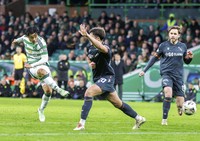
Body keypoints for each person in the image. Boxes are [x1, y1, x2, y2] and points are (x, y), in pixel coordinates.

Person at [73, 24, 146, 130]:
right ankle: (139, 118)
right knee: (118, 104)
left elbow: (101, 48)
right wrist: (93, 65)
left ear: (97, 38)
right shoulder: (90, 48)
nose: (88, 38)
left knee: (89, 92)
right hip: (98, 78)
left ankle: (81, 124)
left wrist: (87, 35)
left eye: (91, 36)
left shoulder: (106, 48)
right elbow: (93, 60)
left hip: (107, 77)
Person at [12, 26, 69, 122]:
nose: (34, 39)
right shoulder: (25, 38)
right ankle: (58, 89)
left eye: (35, 36)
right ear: (28, 36)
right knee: (40, 71)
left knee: (48, 92)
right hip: (33, 68)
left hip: (41, 64)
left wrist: (32, 64)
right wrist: (16, 40)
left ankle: (41, 110)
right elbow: (22, 38)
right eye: (32, 37)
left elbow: (45, 59)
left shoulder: (41, 42)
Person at [139, 26, 193, 125]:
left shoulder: (183, 46)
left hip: (178, 77)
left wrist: (189, 58)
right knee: (168, 93)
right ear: (168, 34)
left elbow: (186, 61)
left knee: (180, 103)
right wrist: (144, 70)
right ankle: (164, 119)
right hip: (166, 74)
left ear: (179, 35)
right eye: (171, 33)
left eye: (175, 34)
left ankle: (180, 107)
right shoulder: (163, 46)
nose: (173, 35)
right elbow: (154, 58)